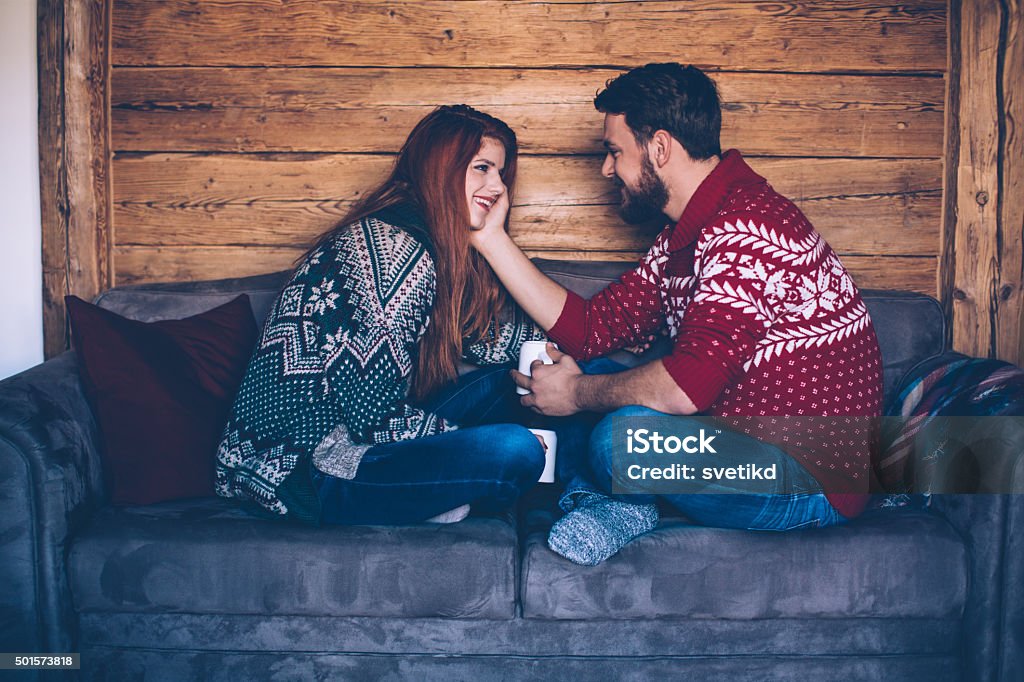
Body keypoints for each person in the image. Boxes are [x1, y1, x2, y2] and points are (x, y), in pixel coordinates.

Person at [469, 63, 884, 565]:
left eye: (615, 152)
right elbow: (591, 330)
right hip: (739, 443)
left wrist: (577, 394)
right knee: (577, 376)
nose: (607, 169)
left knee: (616, 434)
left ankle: (618, 503)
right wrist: (491, 239)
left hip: (807, 477)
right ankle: (614, 505)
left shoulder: (745, 228)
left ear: (659, 148)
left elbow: (687, 388)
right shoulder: (685, 236)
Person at [215, 105, 548, 526]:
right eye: (482, 168)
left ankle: (441, 492)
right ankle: (432, 495)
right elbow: (372, 417)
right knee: (516, 449)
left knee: (513, 382)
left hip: (357, 436)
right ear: (441, 168)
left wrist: (567, 348)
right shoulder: (392, 251)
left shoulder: (427, 241)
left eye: (501, 173)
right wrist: (465, 443)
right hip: (306, 466)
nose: (498, 186)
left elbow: (483, 337)